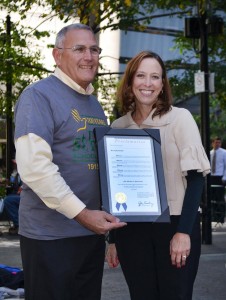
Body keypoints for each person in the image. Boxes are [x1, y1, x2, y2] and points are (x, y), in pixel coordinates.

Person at [14, 23, 126, 300]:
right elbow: (35, 168)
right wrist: (82, 214)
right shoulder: (38, 96)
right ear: (57, 55)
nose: (89, 56)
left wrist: (109, 233)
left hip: (89, 235)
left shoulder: (94, 105)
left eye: (94, 49)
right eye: (79, 49)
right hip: (50, 238)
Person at [106, 51, 210, 300]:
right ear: (131, 82)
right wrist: (112, 239)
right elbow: (113, 186)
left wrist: (183, 232)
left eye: (155, 77)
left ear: (162, 85)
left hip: (175, 225)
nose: (148, 83)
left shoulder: (180, 119)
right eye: (141, 75)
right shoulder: (118, 127)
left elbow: (196, 179)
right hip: (131, 231)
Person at [210, 137, 226, 223]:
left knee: (220, 198)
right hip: (211, 177)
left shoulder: (224, 153)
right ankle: (214, 217)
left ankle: (221, 217)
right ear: (213, 143)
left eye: (219, 143)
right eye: (216, 142)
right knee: (212, 197)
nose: (218, 144)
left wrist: (224, 177)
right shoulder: (210, 153)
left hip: (220, 177)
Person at [3, 159, 22, 235]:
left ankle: (19, 225)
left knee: (8, 200)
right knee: (6, 198)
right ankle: (17, 224)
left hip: (27, 196)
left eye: (16, 163)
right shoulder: (16, 173)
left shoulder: (26, 172)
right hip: (19, 195)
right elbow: (12, 185)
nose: (14, 165)